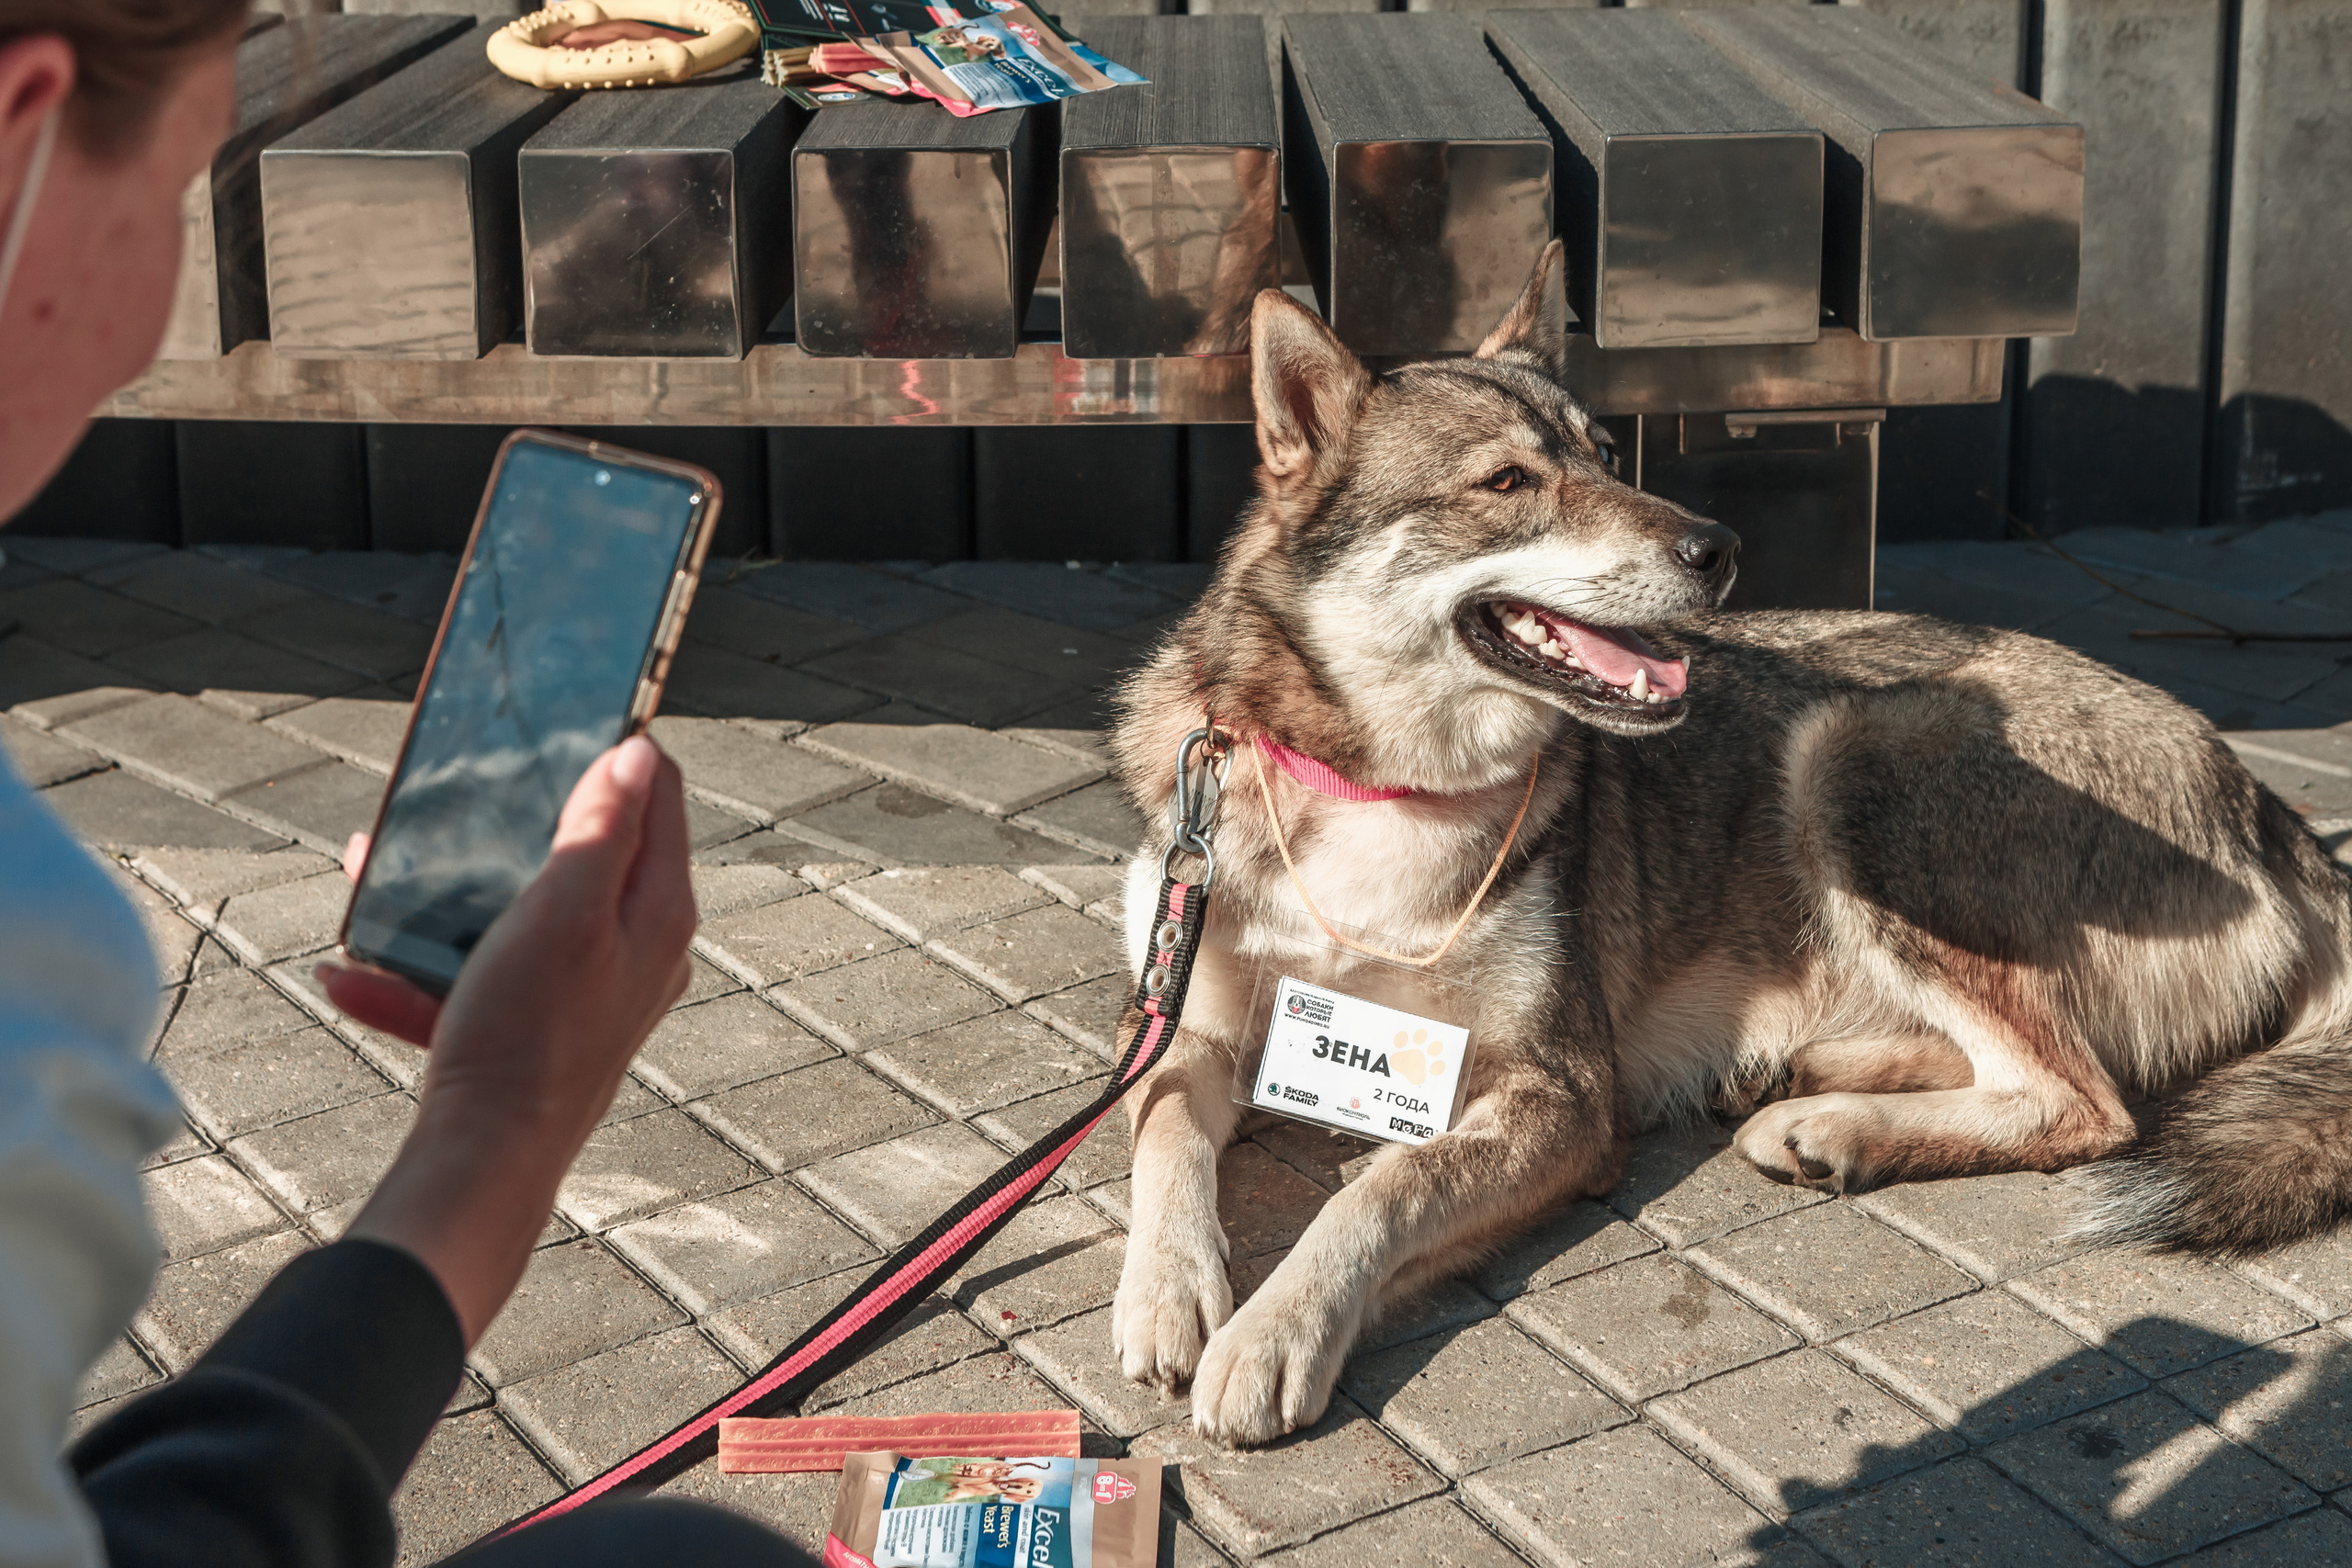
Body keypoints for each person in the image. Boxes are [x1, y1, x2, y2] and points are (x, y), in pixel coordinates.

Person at [0, 5, 814, 1562]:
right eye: (180, 192)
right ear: (17, 145)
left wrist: (492, 1121)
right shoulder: (32, 955)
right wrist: (513, 1113)